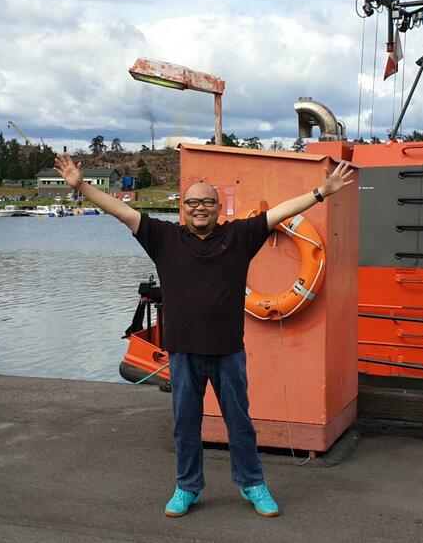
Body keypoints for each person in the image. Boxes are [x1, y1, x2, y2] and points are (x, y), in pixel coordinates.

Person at [53, 152, 355, 519]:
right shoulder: (162, 237)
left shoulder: (239, 236)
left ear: (218, 208)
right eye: (193, 202)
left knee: (240, 424)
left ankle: (252, 482)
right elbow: (121, 211)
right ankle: (187, 486)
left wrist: (322, 192)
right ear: (182, 208)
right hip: (183, 353)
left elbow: (279, 212)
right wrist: (82, 186)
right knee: (186, 426)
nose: (200, 208)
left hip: (228, 352)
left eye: (208, 202)